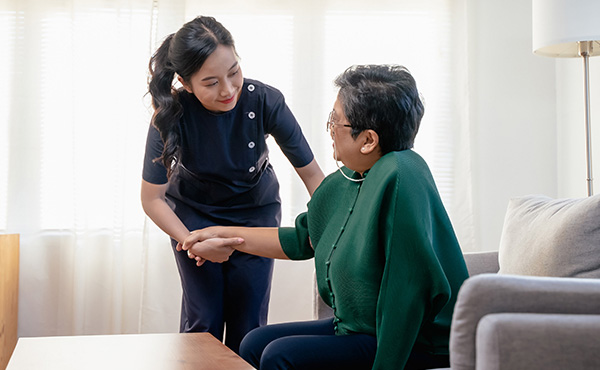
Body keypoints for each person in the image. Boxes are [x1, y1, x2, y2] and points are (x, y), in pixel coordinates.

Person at [181, 64, 469, 369]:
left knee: (279, 357)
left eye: (336, 121)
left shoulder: (400, 176)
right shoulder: (353, 176)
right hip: (359, 328)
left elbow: (407, 293)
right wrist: (222, 234)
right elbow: (303, 239)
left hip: (414, 342)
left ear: (368, 140)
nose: (330, 128)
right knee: (253, 343)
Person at [141, 16, 325, 354]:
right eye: (210, 82)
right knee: (203, 321)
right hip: (194, 220)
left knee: (249, 324)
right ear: (185, 82)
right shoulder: (170, 114)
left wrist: (339, 225)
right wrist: (191, 242)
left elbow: (313, 174)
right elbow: (152, 198)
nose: (227, 90)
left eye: (234, 72)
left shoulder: (265, 100)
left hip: (254, 215)